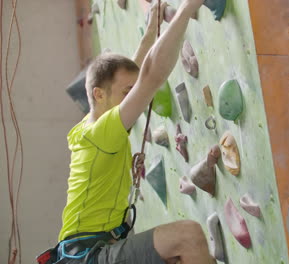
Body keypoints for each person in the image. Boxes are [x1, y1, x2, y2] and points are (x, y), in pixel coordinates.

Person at [51, 0, 214, 263]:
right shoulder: (101, 133)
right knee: (188, 236)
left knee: (190, 255)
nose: (134, 100)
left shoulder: (92, 126)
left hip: (95, 248)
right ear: (98, 94)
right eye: (127, 94)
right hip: (87, 256)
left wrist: (151, 31)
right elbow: (149, 75)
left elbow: (137, 75)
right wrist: (186, 9)